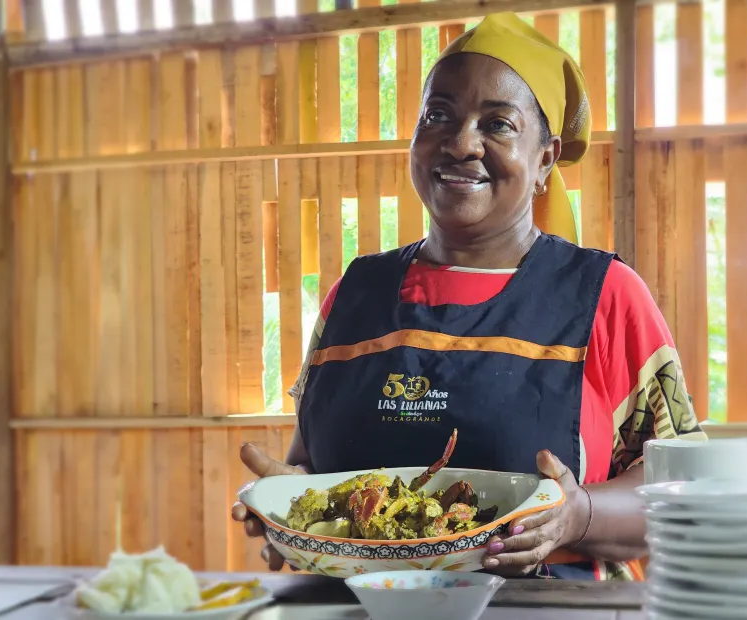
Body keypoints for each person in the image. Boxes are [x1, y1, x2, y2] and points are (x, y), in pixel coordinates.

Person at [231, 12, 706, 581]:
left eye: (498, 124)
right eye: (438, 115)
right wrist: (289, 507)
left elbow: (685, 488)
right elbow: (314, 469)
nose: (460, 144)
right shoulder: (352, 294)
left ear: (546, 159)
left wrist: (579, 516)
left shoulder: (603, 295)